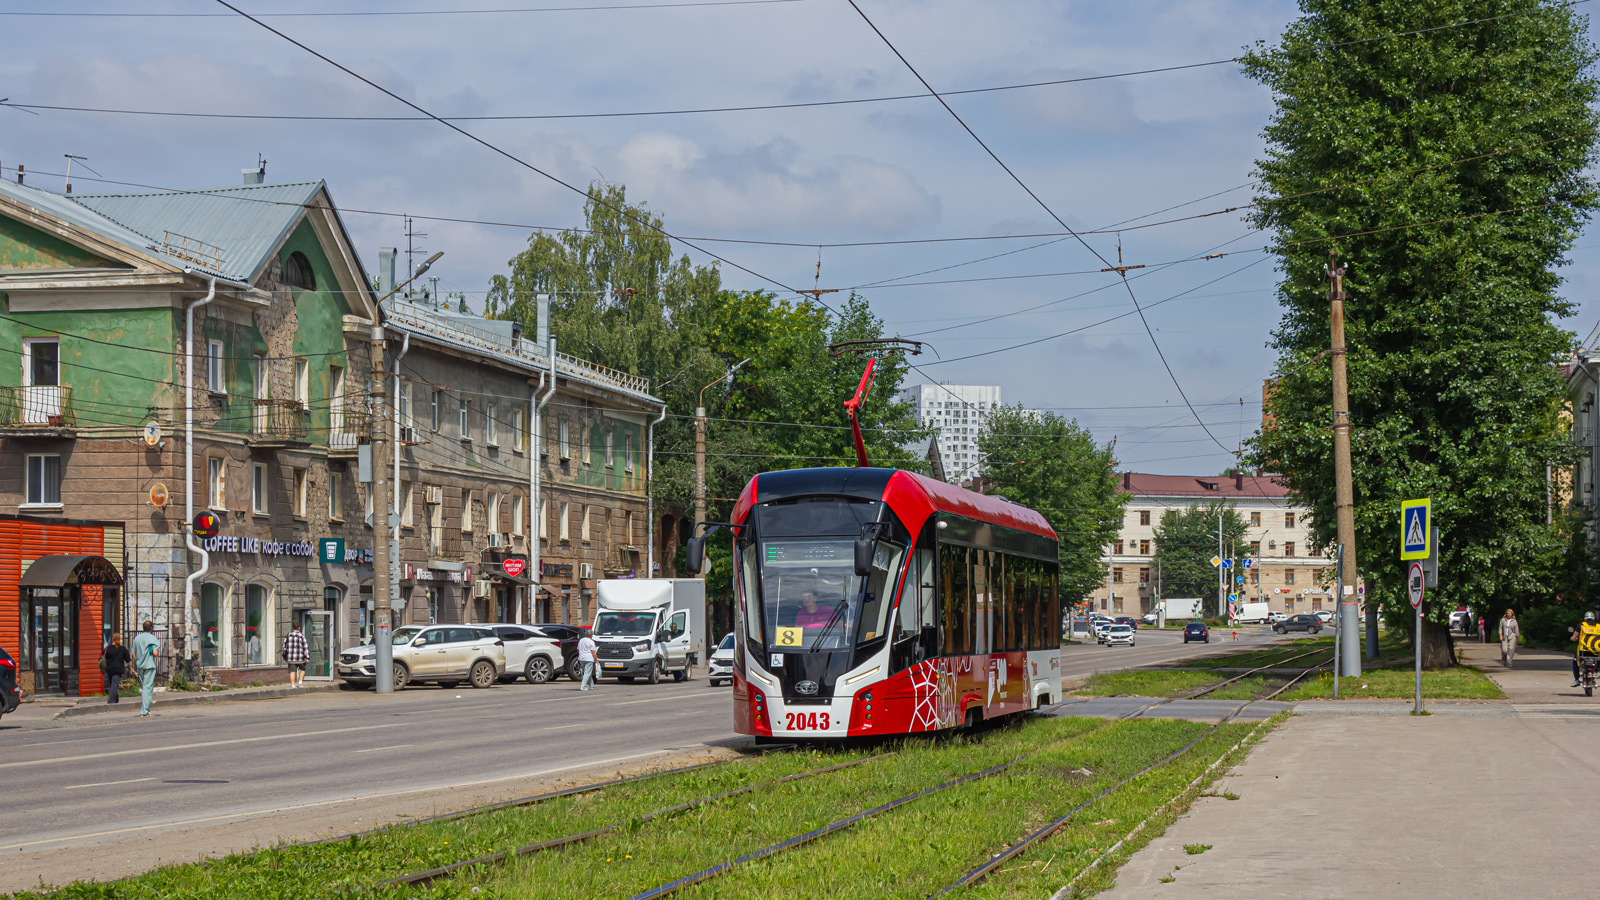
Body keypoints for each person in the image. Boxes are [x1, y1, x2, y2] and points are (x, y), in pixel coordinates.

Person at [132, 621, 161, 716]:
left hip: (140, 665)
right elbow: (155, 653)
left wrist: (137, 661)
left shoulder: (137, 638)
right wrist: (152, 650)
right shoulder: (153, 638)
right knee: (148, 687)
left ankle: (147, 708)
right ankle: (144, 710)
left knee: (144, 686)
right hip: (149, 665)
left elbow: (133, 653)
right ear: (151, 628)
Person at [1569, 612, 1600, 687]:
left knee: (1575, 661)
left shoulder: (1581, 625)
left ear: (1585, 618)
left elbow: (1574, 637)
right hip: (1595, 651)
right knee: (1599, 659)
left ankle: (1576, 680)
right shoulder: (1598, 626)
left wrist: (1573, 638)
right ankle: (1596, 672)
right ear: (1594, 618)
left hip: (1583, 651)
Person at [101, 633, 131, 704]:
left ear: (112, 639)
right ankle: (111, 700)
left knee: (113, 684)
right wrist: (128, 666)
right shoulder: (122, 649)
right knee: (114, 684)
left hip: (109, 669)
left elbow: (103, 656)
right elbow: (128, 659)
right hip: (118, 669)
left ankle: (116, 699)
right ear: (119, 639)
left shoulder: (108, 648)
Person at [282, 621, 310, 688]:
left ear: (293, 627)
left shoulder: (288, 635)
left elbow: (284, 646)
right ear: (299, 628)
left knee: (292, 671)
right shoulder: (301, 636)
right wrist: (307, 657)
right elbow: (305, 647)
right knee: (302, 669)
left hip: (291, 657)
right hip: (300, 657)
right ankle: (300, 683)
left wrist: (285, 655)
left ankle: (293, 685)